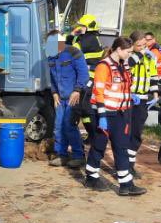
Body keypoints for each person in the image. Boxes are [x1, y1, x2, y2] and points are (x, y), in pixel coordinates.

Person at [85, 37, 146, 196]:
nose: (129, 55)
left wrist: (130, 96)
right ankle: (91, 177)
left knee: (121, 147)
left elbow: (122, 87)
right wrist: (102, 116)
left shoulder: (123, 65)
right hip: (104, 113)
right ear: (119, 49)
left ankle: (126, 184)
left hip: (121, 113)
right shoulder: (103, 66)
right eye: (128, 52)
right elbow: (99, 92)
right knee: (99, 145)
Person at [47, 34, 89, 168]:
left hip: (74, 96)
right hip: (60, 98)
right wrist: (54, 93)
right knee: (58, 126)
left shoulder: (74, 53)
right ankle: (61, 155)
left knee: (69, 125)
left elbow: (84, 74)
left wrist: (77, 90)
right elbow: (52, 78)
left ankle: (79, 156)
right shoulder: (51, 56)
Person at [126, 31, 158, 179]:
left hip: (143, 99)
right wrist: (140, 54)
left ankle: (130, 163)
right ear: (132, 45)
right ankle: (124, 163)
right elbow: (128, 66)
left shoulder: (149, 57)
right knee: (126, 132)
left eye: (145, 45)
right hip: (129, 98)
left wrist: (155, 94)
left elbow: (153, 76)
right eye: (139, 45)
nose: (143, 48)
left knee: (137, 132)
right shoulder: (128, 56)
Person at [68, 14, 105, 143]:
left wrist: (70, 35)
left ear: (89, 27)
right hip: (88, 77)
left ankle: (93, 136)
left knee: (81, 107)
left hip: (88, 78)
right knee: (85, 109)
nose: (79, 28)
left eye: (82, 26)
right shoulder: (92, 38)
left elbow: (69, 50)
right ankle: (92, 135)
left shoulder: (88, 40)